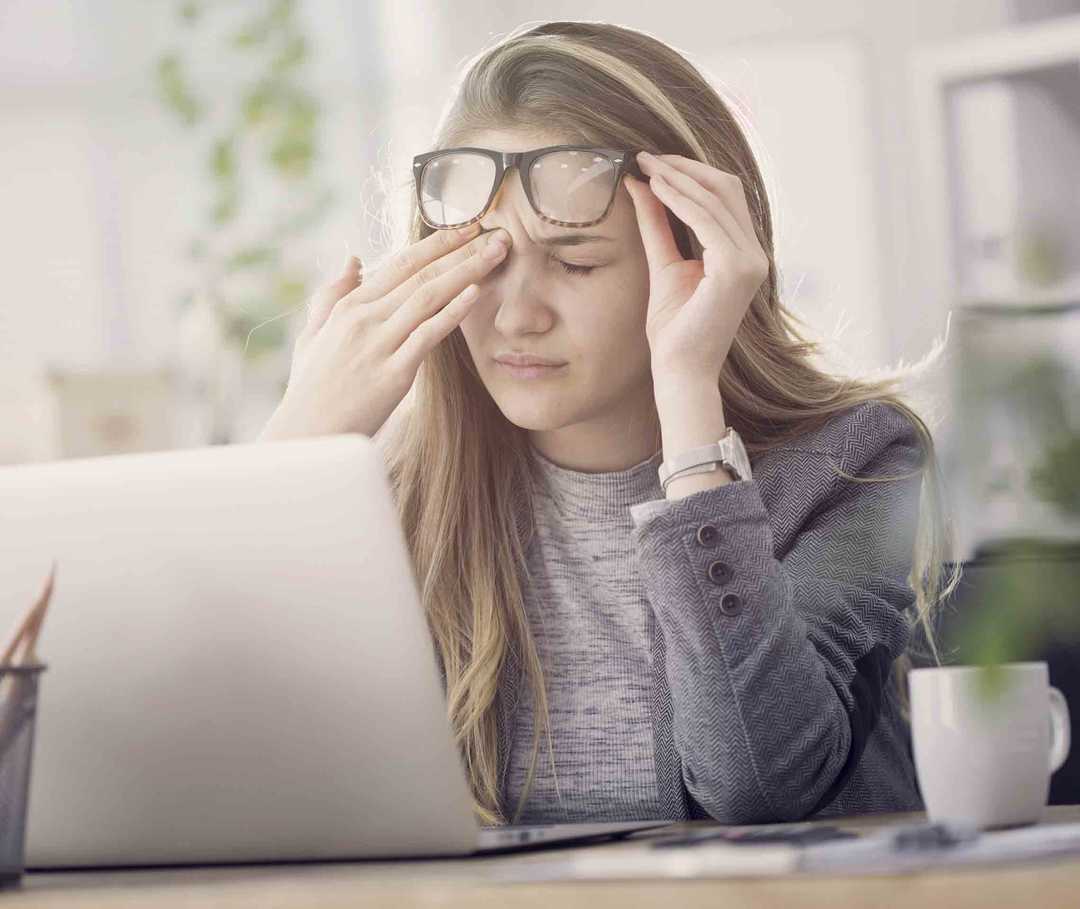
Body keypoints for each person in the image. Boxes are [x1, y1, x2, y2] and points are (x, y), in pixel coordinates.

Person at [257, 20, 960, 827]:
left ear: (696, 262)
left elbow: (758, 785)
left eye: (577, 262)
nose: (516, 316)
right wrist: (296, 453)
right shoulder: (395, 493)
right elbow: (233, 776)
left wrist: (692, 411)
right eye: (485, 258)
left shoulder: (854, 463)